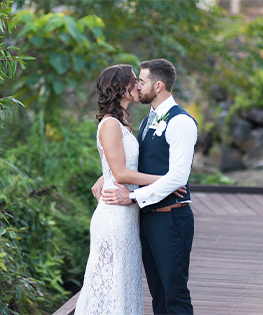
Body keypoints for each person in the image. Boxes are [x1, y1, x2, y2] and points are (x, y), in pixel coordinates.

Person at [75, 64, 185, 314]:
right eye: (134, 80)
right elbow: (122, 173)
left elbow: (118, 166)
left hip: (128, 213)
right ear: (120, 88)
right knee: (110, 285)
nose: (138, 85)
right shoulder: (111, 124)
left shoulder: (123, 123)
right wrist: (166, 181)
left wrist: (104, 176)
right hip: (114, 215)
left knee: (123, 283)